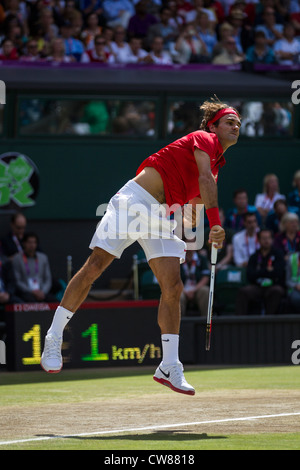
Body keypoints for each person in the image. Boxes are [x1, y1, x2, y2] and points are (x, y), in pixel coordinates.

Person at [40, 97, 241, 396]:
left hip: (163, 215)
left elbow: (193, 205)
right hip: (134, 201)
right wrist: (215, 221)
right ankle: (54, 335)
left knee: (172, 287)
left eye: (238, 123)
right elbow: (203, 181)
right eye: (229, 121)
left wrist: (203, 233)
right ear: (214, 126)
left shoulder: (216, 166)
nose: (235, 126)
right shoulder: (204, 139)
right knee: (94, 267)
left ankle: (169, 365)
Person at [235, 229, 286, 315]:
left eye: (268, 238)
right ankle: (239, 323)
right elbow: (250, 275)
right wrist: (267, 270)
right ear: (258, 240)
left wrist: (259, 272)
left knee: (277, 291)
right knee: (243, 291)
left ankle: (269, 322)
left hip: (273, 285)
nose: (266, 241)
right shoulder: (254, 256)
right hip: (257, 287)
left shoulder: (278, 254)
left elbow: (279, 273)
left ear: (272, 239)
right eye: (263, 238)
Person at [12, 232, 56, 303]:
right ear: (24, 243)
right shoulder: (17, 259)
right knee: (29, 301)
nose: (32, 245)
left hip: (42, 291)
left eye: (34, 242)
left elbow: (48, 278)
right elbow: (17, 281)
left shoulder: (43, 258)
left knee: (55, 302)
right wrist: (32, 292)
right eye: (29, 242)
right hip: (26, 292)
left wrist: (43, 292)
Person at [180, 249, 210, 316]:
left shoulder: (202, 258)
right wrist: (184, 291)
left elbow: (205, 278)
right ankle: (180, 324)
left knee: (205, 291)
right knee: (178, 295)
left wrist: (193, 290)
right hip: (182, 289)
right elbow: (174, 279)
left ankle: (205, 321)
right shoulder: (177, 258)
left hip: (197, 289)